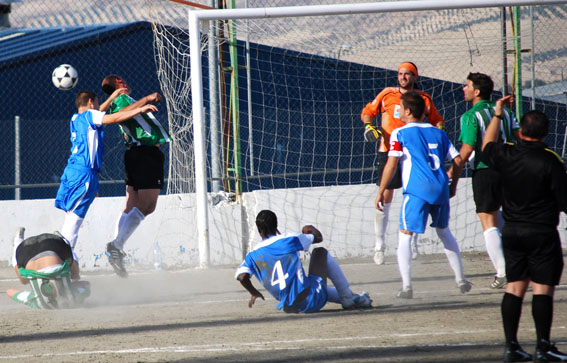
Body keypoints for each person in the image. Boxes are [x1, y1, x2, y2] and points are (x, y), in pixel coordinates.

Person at [482, 97, 567, 362]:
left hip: (512, 231)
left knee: (514, 288)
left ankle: (511, 347)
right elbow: (565, 202)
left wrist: (497, 115)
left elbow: (486, 147)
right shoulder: (551, 160)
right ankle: (543, 347)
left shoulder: (507, 154)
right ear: (545, 133)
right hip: (541, 232)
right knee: (542, 289)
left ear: (520, 132)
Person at [375, 91, 471, 299]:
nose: (398, 111)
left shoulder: (399, 133)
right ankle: (461, 279)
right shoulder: (439, 133)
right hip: (440, 188)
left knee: (404, 236)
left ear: (408, 111)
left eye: (400, 107)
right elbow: (457, 159)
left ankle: (407, 286)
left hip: (417, 190)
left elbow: (391, 164)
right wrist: (452, 184)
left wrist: (381, 190)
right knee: (444, 232)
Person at [55, 90, 159, 267]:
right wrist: (140, 109)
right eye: (97, 103)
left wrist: (111, 98)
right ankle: (62, 260)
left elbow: (97, 112)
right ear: (90, 102)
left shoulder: (75, 119)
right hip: (84, 174)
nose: (99, 107)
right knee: (75, 220)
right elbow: (114, 118)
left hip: (71, 172)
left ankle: (64, 257)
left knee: (70, 215)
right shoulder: (90, 116)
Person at [361, 61, 445, 265]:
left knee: (416, 195)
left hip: (415, 154)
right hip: (389, 151)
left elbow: (437, 120)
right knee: (385, 196)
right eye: (400, 74)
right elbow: (367, 112)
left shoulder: (424, 98)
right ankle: (379, 246)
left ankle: (412, 243)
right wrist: (368, 126)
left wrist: (440, 128)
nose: (403, 77)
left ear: (415, 77)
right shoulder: (387, 94)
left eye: (408, 74)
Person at [235, 210, 373, 313]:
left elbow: (242, 277)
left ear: (259, 230)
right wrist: (308, 229)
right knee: (320, 253)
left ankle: (354, 298)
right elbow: (318, 237)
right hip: (311, 301)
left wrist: (253, 292)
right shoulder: (289, 239)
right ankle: (348, 297)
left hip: (290, 308)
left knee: (308, 283)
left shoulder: (252, 255)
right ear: (276, 225)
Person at [101, 75, 171, 278]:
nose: (125, 83)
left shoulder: (123, 99)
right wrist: (147, 99)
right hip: (145, 154)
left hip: (137, 153)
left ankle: (116, 246)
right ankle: (116, 245)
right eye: (122, 80)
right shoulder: (122, 98)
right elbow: (123, 114)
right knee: (148, 206)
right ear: (118, 83)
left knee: (132, 204)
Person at [454, 73, 519, 290]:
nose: (464, 89)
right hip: (510, 170)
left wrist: (452, 170)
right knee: (503, 218)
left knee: (487, 220)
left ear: (477, 91)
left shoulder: (471, 116)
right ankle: (516, 262)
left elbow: (468, 148)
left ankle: (503, 272)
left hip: (486, 170)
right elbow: (519, 135)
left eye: (467, 86)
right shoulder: (506, 112)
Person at [7, 227, 90, 309]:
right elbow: (10, 291)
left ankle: (62, 240)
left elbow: (85, 285)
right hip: (25, 250)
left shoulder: (72, 299)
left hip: (53, 245)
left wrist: (75, 279)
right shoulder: (38, 302)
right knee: (24, 279)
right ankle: (17, 242)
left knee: (72, 268)